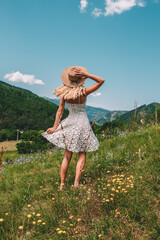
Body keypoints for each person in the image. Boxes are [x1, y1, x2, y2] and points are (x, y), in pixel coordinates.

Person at [41, 66, 104, 190]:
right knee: (82, 154)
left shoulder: (65, 94)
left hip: (70, 122)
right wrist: (87, 74)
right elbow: (101, 81)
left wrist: (54, 127)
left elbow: (60, 111)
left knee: (67, 156)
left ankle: (62, 185)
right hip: (82, 124)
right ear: (81, 80)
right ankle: (76, 184)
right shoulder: (83, 92)